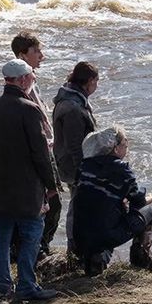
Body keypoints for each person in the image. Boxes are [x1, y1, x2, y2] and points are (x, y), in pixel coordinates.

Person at [0, 59, 58, 301]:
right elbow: (40, 154)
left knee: (1, 237)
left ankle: (2, 286)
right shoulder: (29, 109)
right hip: (27, 186)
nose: (33, 80)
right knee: (33, 232)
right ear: (23, 79)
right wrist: (51, 184)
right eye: (32, 77)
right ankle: (26, 284)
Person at [72, 126, 152, 276]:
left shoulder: (85, 166)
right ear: (115, 149)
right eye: (125, 144)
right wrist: (148, 198)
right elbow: (137, 201)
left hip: (79, 233)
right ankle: (140, 262)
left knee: (103, 214)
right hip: (105, 233)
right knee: (148, 212)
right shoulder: (121, 170)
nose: (127, 148)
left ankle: (95, 261)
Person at [11, 32, 62, 258]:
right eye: (36, 51)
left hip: (43, 149)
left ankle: (32, 246)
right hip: (37, 153)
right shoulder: (23, 85)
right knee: (51, 202)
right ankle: (37, 247)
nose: (42, 56)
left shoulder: (31, 82)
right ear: (22, 55)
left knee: (46, 202)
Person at [52, 61, 99, 253]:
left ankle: (78, 247)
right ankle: (75, 249)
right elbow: (74, 145)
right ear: (88, 82)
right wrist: (83, 171)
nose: (97, 86)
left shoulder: (72, 98)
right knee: (78, 206)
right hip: (74, 166)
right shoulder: (72, 108)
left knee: (79, 205)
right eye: (96, 81)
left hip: (68, 162)